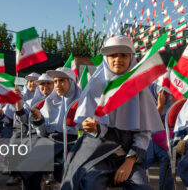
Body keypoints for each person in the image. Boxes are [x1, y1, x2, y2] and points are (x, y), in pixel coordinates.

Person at [61, 35, 164, 190]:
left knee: (141, 187)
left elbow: (144, 133)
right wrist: (91, 127)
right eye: (112, 55)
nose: (118, 59)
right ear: (106, 59)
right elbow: (87, 124)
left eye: (123, 55)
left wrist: (129, 161)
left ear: (131, 58)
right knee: (88, 183)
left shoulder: (141, 90)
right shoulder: (95, 86)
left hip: (128, 156)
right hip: (97, 154)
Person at [18, 67, 81, 189]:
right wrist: (39, 119)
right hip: (51, 141)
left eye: (62, 80)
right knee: (26, 168)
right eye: (55, 81)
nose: (57, 85)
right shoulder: (50, 102)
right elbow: (42, 133)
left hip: (72, 142)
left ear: (71, 82)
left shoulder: (82, 101)